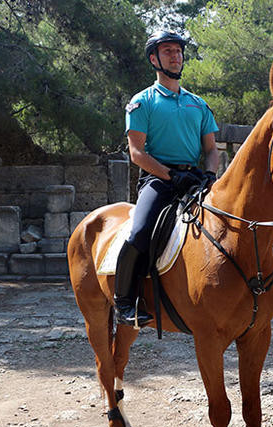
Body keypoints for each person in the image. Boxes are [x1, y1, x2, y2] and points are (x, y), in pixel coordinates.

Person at [114, 30, 219, 327]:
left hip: (197, 178)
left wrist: (210, 175)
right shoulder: (142, 102)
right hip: (157, 179)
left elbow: (211, 150)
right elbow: (136, 153)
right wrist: (171, 175)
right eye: (168, 51)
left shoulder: (198, 104)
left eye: (178, 51)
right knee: (139, 233)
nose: (176, 55)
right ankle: (124, 303)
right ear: (154, 59)